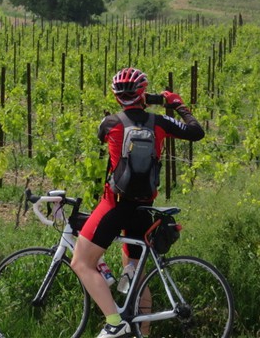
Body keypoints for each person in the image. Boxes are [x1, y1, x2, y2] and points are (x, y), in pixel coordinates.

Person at [71, 67, 204, 338]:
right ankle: (142, 332)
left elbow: (103, 138)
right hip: (144, 208)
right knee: (135, 273)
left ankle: (114, 322)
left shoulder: (109, 123)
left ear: (117, 97)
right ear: (143, 93)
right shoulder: (159, 122)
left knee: (81, 263)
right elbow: (196, 132)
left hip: (116, 205)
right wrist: (176, 104)